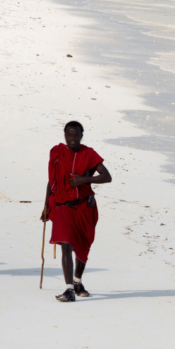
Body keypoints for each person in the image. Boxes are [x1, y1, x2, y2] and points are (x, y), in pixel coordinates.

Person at [42, 121, 112, 302]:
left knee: (82, 245)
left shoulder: (89, 154)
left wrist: (84, 180)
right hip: (63, 205)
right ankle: (69, 289)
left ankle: (77, 282)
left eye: (76, 135)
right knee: (66, 244)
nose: (72, 139)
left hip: (84, 206)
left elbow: (107, 177)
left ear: (81, 136)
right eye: (69, 135)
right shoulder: (57, 152)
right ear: (65, 135)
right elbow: (52, 179)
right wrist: (46, 205)